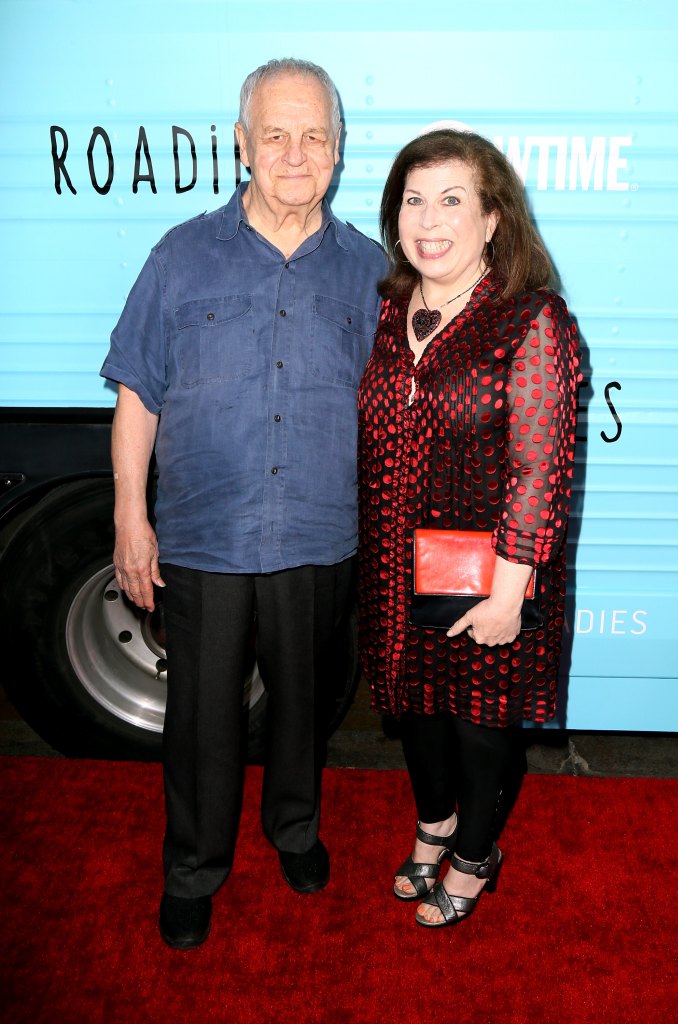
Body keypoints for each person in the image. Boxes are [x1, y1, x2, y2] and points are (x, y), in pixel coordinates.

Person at [101, 58, 385, 949]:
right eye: (275, 134)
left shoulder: (372, 273)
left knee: (306, 705)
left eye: (314, 137)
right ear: (240, 144)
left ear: (337, 152)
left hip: (318, 534)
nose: (294, 154)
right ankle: (193, 867)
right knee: (202, 716)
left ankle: (294, 828)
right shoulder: (180, 256)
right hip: (204, 532)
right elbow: (138, 390)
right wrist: (128, 515)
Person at [357, 129, 581, 928]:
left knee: (478, 719)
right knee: (414, 704)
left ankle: (477, 853)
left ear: (492, 219)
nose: (429, 219)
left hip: (486, 566)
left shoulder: (529, 320)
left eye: (452, 200)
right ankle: (434, 825)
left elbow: (538, 468)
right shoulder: (387, 308)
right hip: (393, 560)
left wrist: (509, 593)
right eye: (413, 200)